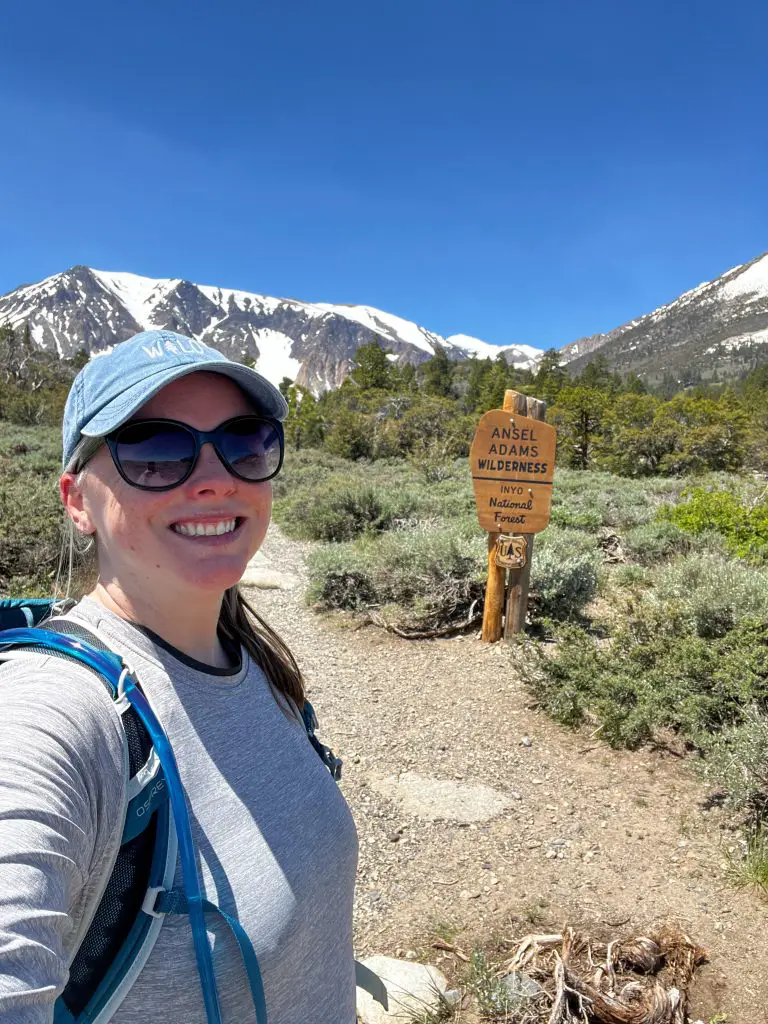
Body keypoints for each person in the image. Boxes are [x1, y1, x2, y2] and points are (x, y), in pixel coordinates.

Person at [0, 330, 359, 1023]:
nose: (216, 477)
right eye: (155, 451)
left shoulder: (252, 657)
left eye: (244, 443)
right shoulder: (54, 715)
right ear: (78, 501)